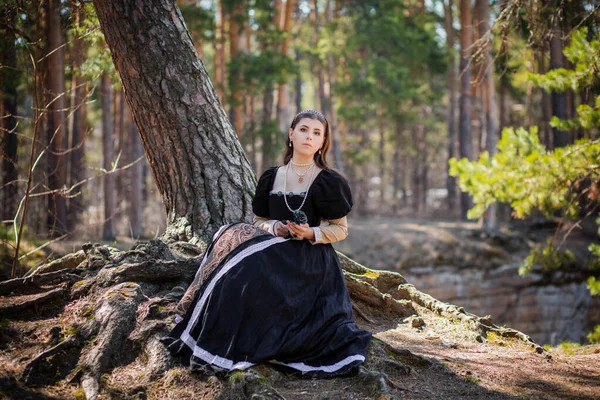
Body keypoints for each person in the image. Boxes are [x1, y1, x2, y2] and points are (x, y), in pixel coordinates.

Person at [162, 109, 372, 378]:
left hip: (310, 261)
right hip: (274, 246)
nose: (309, 136)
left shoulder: (329, 181)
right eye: (304, 130)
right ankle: (205, 323)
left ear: (322, 142)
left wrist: (309, 233)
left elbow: (340, 230)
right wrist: (277, 227)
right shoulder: (272, 176)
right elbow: (259, 219)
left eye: (317, 133)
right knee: (228, 234)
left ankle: (237, 338)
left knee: (249, 266)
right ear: (291, 135)